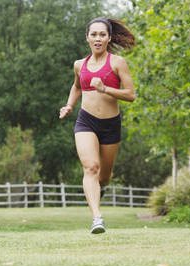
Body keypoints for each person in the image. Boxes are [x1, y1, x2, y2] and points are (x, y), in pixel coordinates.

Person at [59, 17, 136, 234]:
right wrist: (68, 105)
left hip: (111, 125)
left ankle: (99, 190)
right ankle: (97, 218)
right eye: (94, 34)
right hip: (86, 121)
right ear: (87, 38)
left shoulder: (117, 62)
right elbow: (76, 87)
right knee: (91, 167)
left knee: (104, 176)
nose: (98, 38)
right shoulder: (79, 65)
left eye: (102, 35)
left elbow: (131, 95)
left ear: (109, 38)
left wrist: (105, 89)